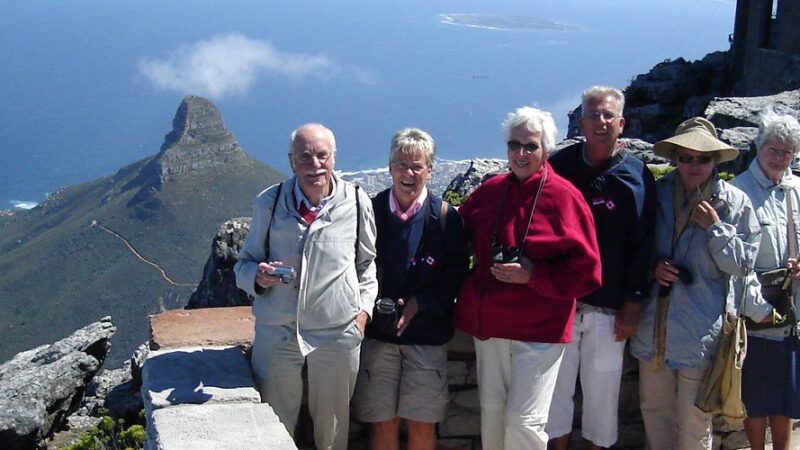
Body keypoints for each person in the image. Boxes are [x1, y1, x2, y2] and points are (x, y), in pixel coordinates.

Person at [454, 106, 603, 450]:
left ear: (545, 150)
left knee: (524, 422)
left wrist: (533, 276)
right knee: (492, 414)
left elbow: (588, 273)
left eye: (530, 146)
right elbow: (453, 240)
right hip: (490, 327)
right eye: (514, 145)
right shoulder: (489, 193)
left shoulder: (565, 198)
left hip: (539, 330)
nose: (521, 153)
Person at [234, 123, 378, 450]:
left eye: (322, 156)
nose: (315, 165)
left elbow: (367, 263)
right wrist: (257, 275)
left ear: (334, 157)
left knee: (333, 431)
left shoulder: (356, 202)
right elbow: (242, 264)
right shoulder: (269, 203)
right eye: (305, 157)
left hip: (337, 332)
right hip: (279, 332)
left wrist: (362, 315)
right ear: (291, 161)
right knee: (274, 427)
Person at [630, 117, 763, 450]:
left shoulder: (734, 203)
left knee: (694, 423)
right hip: (653, 329)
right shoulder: (656, 195)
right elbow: (635, 247)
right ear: (675, 158)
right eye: (685, 157)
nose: (693, 165)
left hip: (699, 333)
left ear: (714, 160)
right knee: (655, 413)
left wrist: (716, 229)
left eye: (702, 158)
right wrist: (653, 269)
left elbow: (743, 264)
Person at [546, 86, 656, 450]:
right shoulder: (559, 167)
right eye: (593, 115)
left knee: (602, 406)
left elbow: (645, 245)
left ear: (621, 123)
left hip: (609, 310)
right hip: (561, 305)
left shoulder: (638, 176)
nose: (601, 122)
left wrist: (633, 305)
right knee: (554, 404)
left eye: (609, 115)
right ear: (581, 121)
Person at [352, 128, 470, 450]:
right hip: (378, 338)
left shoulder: (446, 220)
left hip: (427, 340)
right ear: (389, 167)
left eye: (417, 166)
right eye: (401, 165)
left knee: (422, 427)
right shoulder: (369, 213)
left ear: (430, 170)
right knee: (382, 427)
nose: (408, 173)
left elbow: (455, 276)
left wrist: (421, 303)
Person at [731, 111, 800, 450]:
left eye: (787, 152)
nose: (779, 158)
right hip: (754, 311)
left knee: (787, 394)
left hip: (793, 314)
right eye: (773, 149)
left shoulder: (797, 189)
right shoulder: (736, 192)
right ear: (758, 147)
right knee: (755, 395)